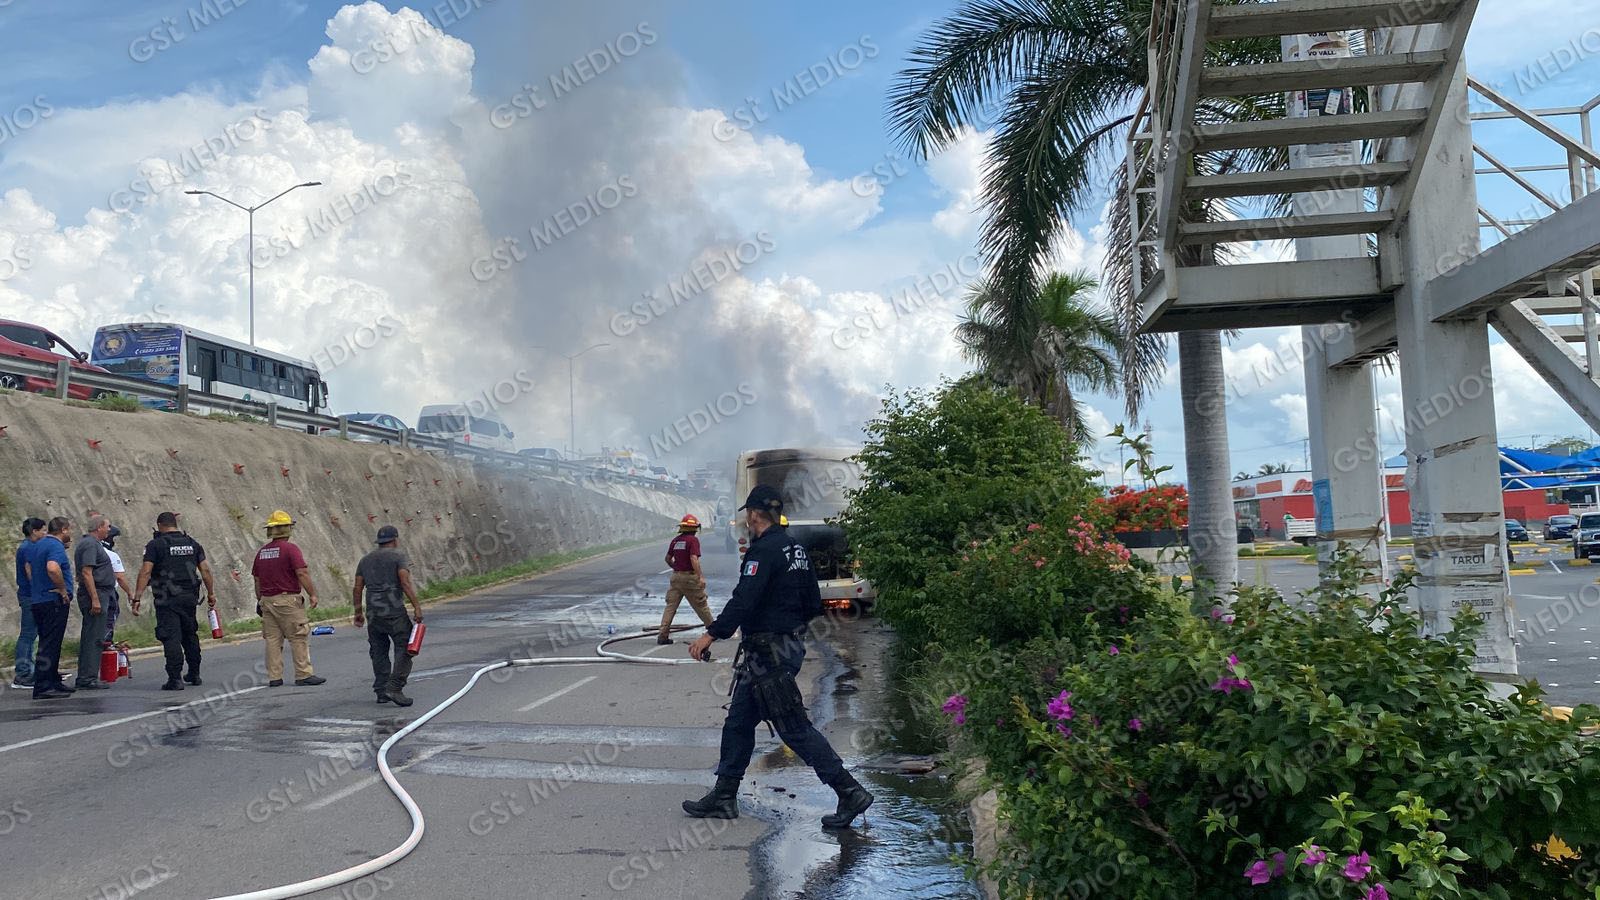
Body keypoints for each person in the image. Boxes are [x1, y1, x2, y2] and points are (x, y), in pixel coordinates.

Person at [683, 485, 874, 828]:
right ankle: (724, 795)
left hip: (769, 656)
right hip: (778, 650)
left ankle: (849, 791)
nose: (746, 519)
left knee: (793, 728)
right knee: (739, 722)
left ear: (754, 514)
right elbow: (813, 603)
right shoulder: (795, 549)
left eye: (747, 513)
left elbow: (744, 600)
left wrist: (711, 634)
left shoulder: (763, 551)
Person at [132, 511, 216, 691]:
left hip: (167, 598)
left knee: (171, 636)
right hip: (190, 597)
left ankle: (175, 678)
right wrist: (211, 593)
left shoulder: (155, 545)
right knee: (189, 634)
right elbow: (205, 570)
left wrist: (137, 597)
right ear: (175, 524)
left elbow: (146, 571)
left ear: (160, 525)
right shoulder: (192, 543)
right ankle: (194, 673)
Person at [251, 510, 326, 688]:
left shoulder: (262, 552)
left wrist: (260, 600)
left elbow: (257, 579)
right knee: (298, 636)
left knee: (272, 639)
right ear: (287, 528)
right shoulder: (290, 549)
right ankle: (303, 674)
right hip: (288, 600)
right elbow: (302, 572)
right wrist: (312, 594)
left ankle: (274, 676)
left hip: (267, 600)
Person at [353, 525, 423, 707]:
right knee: (404, 648)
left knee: (378, 651)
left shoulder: (365, 560)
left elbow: (357, 587)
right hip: (394, 612)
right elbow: (405, 583)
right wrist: (417, 607)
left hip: (373, 613)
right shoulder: (398, 557)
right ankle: (395, 687)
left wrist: (358, 612)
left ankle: (381, 690)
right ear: (395, 540)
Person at [28, 517, 75, 699]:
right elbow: (53, 568)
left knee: (49, 641)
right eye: (69, 529)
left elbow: (29, 568)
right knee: (50, 644)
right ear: (63, 530)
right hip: (52, 600)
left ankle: (53, 680)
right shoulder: (55, 546)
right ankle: (43, 686)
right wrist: (62, 589)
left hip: (39, 599)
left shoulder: (38, 545)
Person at [72, 515, 116, 690]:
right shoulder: (90, 544)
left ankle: (87, 675)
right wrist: (95, 599)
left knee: (93, 635)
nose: (109, 530)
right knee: (94, 637)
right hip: (96, 593)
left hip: (99, 592)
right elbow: (87, 572)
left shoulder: (92, 544)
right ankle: (87, 677)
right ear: (99, 527)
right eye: (107, 526)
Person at [658, 514, 713, 645]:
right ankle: (713, 632)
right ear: (694, 528)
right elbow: (694, 558)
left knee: (670, 607)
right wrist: (700, 576)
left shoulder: (676, 541)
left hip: (676, 577)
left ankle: (662, 635)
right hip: (689, 578)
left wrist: (676, 568)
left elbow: (667, 559)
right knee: (701, 605)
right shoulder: (693, 540)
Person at [11, 517, 44, 690]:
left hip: (29, 594)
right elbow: (30, 572)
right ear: (34, 531)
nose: (45, 533)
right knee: (28, 635)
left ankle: (30, 670)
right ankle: (23, 673)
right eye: (43, 530)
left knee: (31, 635)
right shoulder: (29, 548)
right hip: (31, 596)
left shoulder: (26, 547)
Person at [101, 526, 134, 646]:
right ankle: (106, 643)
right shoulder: (111, 555)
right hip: (109, 592)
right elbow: (120, 577)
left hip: (90, 592)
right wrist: (129, 592)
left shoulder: (89, 551)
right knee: (109, 618)